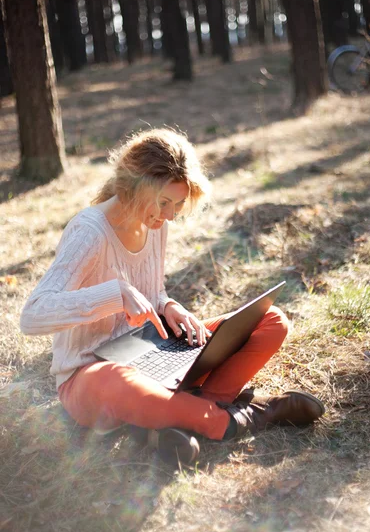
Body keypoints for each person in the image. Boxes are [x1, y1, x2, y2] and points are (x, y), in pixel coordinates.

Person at [20, 128, 324, 466]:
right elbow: (33, 315)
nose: (170, 216)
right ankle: (250, 415)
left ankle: (179, 422)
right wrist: (115, 294)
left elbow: (152, 291)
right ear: (134, 186)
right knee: (117, 381)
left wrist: (168, 305)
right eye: (165, 202)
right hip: (91, 373)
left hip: (151, 348)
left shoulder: (154, 223)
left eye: (178, 205)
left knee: (270, 320)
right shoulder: (89, 231)